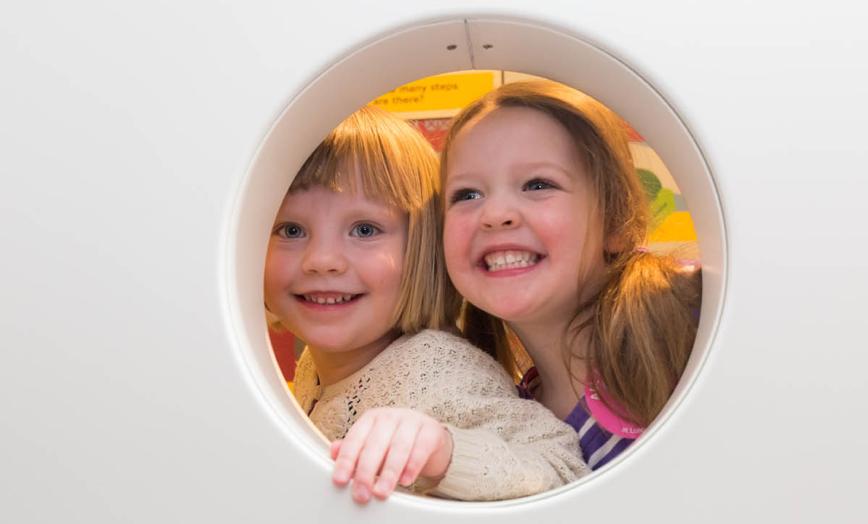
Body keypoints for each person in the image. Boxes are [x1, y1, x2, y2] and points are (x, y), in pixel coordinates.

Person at [264, 106, 588, 504]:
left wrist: (444, 450)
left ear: (421, 250)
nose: (321, 259)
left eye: (365, 229)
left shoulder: (436, 368)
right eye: (291, 230)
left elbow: (562, 467)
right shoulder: (319, 363)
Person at [441, 80, 701, 471]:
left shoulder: (693, 315)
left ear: (615, 221)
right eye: (467, 195)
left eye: (538, 184)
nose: (495, 214)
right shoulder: (508, 419)